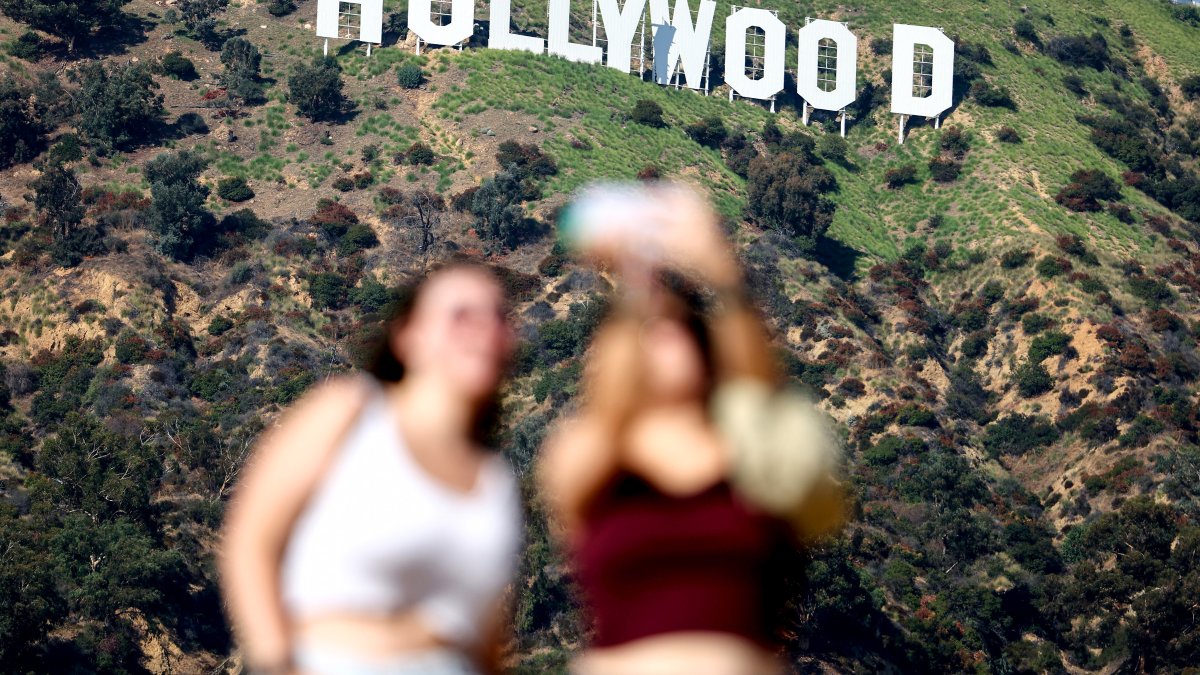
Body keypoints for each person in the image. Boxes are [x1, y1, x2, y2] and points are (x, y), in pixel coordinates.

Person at [539, 184, 841, 675]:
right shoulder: (593, 456)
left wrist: (724, 276)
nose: (659, 340)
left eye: (676, 330)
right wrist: (635, 286)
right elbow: (602, 421)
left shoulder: (751, 449)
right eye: (644, 335)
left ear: (706, 352)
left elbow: (764, 399)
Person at [220, 261, 524, 675]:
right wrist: (276, 661)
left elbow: (486, 634)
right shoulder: (349, 414)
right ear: (408, 337)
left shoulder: (494, 481)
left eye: (499, 317)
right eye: (461, 315)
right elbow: (251, 541)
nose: (485, 329)